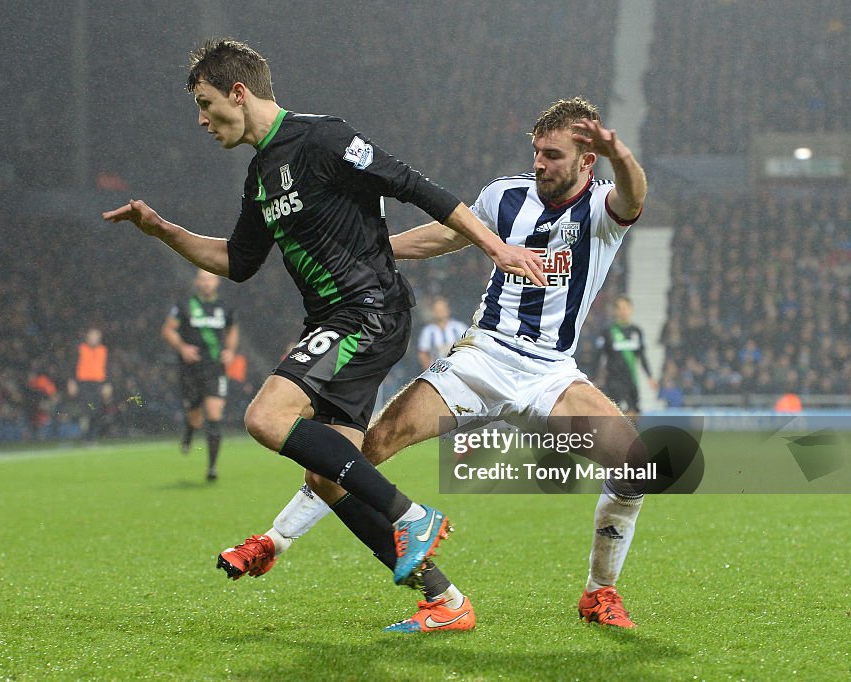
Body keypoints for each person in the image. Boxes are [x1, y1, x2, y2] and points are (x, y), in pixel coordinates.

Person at [102, 38, 548, 622]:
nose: (203, 120)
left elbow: (417, 187)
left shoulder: (323, 138)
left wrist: (498, 249)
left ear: (239, 92)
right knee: (329, 475)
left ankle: (412, 515)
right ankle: (446, 600)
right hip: (341, 318)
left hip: (368, 311)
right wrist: (162, 229)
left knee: (265, 417)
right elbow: (237, 261)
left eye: (207, 103)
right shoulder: (261, 174)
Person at [220, 98, 650, 632]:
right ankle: (275, 540)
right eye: (537, 152)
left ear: (588, 160)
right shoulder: (504, 196)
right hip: (480, 358)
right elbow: (445, 236)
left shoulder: (603, 209)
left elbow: (634, 196)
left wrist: (622, 155)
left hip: (551, 373)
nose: (540, 163)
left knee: (635, 468)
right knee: (365, 451)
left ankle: (599, 594)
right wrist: (372, 251)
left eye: (553, 155)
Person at [163, 269, 238, 481]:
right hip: (191, 369)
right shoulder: (184, 305)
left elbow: (232, 329)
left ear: (216, 282)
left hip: (215, 368)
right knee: (194, 415)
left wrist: (230, 350)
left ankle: (212, 468)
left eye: (210, 279)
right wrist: (182, 347)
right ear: (197, 282)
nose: (206, 283)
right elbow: (168, 330)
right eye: (203, 279)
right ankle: (189, 431)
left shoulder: (224, 307)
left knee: (214, 415)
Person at [596, 295, 657, 416]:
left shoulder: (636, 331)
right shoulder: (608, 330)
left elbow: (642, 356)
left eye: (626, 308)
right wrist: (594, 377)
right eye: (620, 308)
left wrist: (650, 376)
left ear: (631, 309)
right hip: (613, 381)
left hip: (631, 380)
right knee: (614, 415)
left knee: (634, 413)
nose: (623, 311)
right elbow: (599, 356)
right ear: (615, 311)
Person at [74, 327, 108, 443]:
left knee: (96, 411)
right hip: (84, 384)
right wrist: (71, 381)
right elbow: (72, 365)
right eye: (92, 336)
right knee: (86, 410)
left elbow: (107, 368)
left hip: (98, 383)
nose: (94, 338)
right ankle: (84, 437)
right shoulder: (80, 349)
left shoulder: (103, 350)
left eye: (96, 336)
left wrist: (107, 384)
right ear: (87, 337)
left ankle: (92, 437)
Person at [416, 295, 469, 370]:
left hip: (459, 369)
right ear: (432, 312)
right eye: (437, 310)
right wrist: (431, 372)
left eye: (442, 309)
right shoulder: (428, 332)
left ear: (448, 310)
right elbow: (423, 354)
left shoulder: (459, 327)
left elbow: (470, 348)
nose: (440, 313)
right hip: (437, 372)